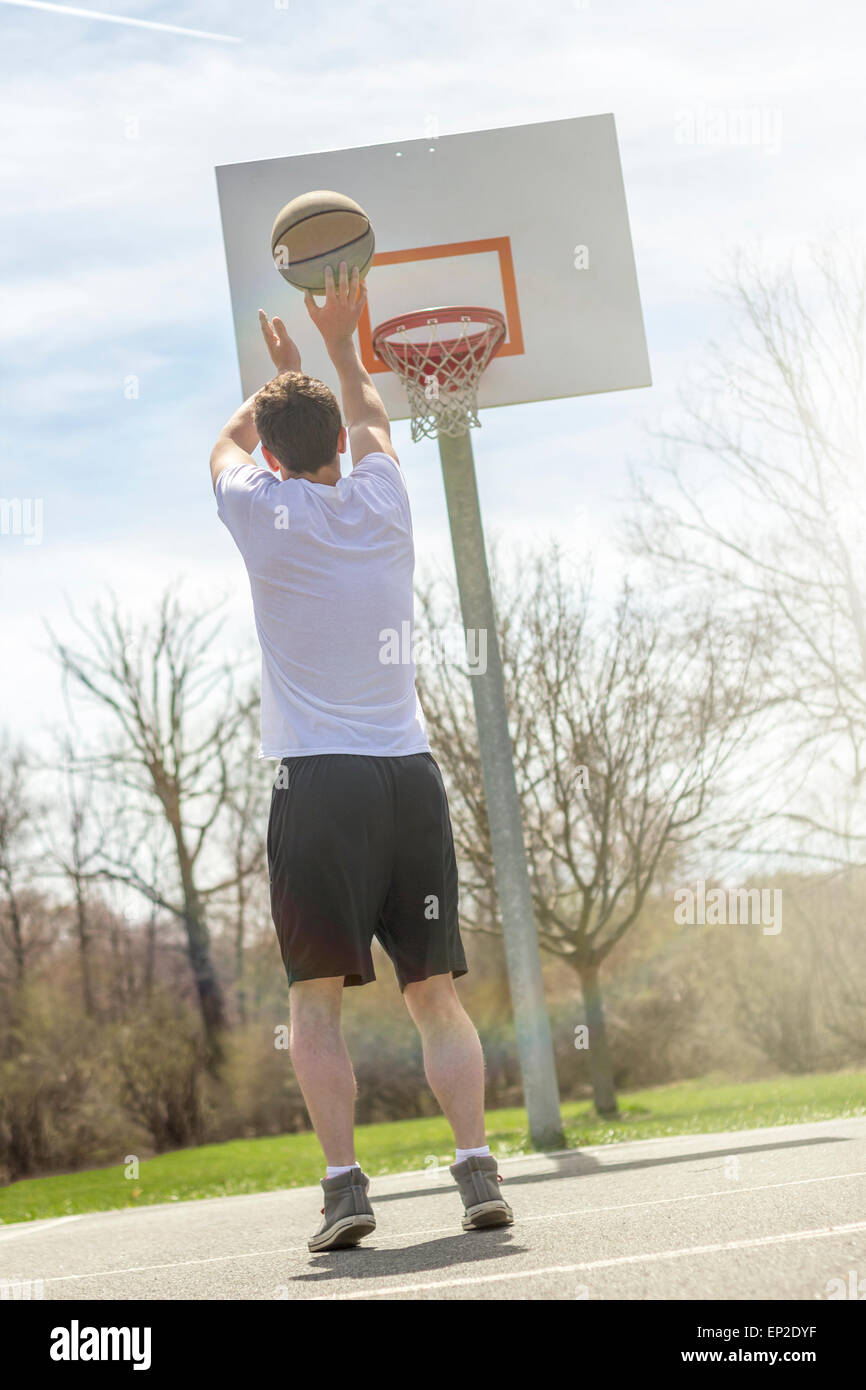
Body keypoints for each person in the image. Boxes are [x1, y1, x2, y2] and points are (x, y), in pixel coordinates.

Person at [210, 262, 513, 1252]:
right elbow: (374, 417)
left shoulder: (261, 511)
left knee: (313, 1003)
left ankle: (345, 1188)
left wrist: (270, 384)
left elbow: (222, 445)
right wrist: (340, 347)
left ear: (276, 455)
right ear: (339, 444)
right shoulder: (384, 500)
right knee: (434, 993)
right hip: (405, 778)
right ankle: (475, 1171)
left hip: (319, 784)